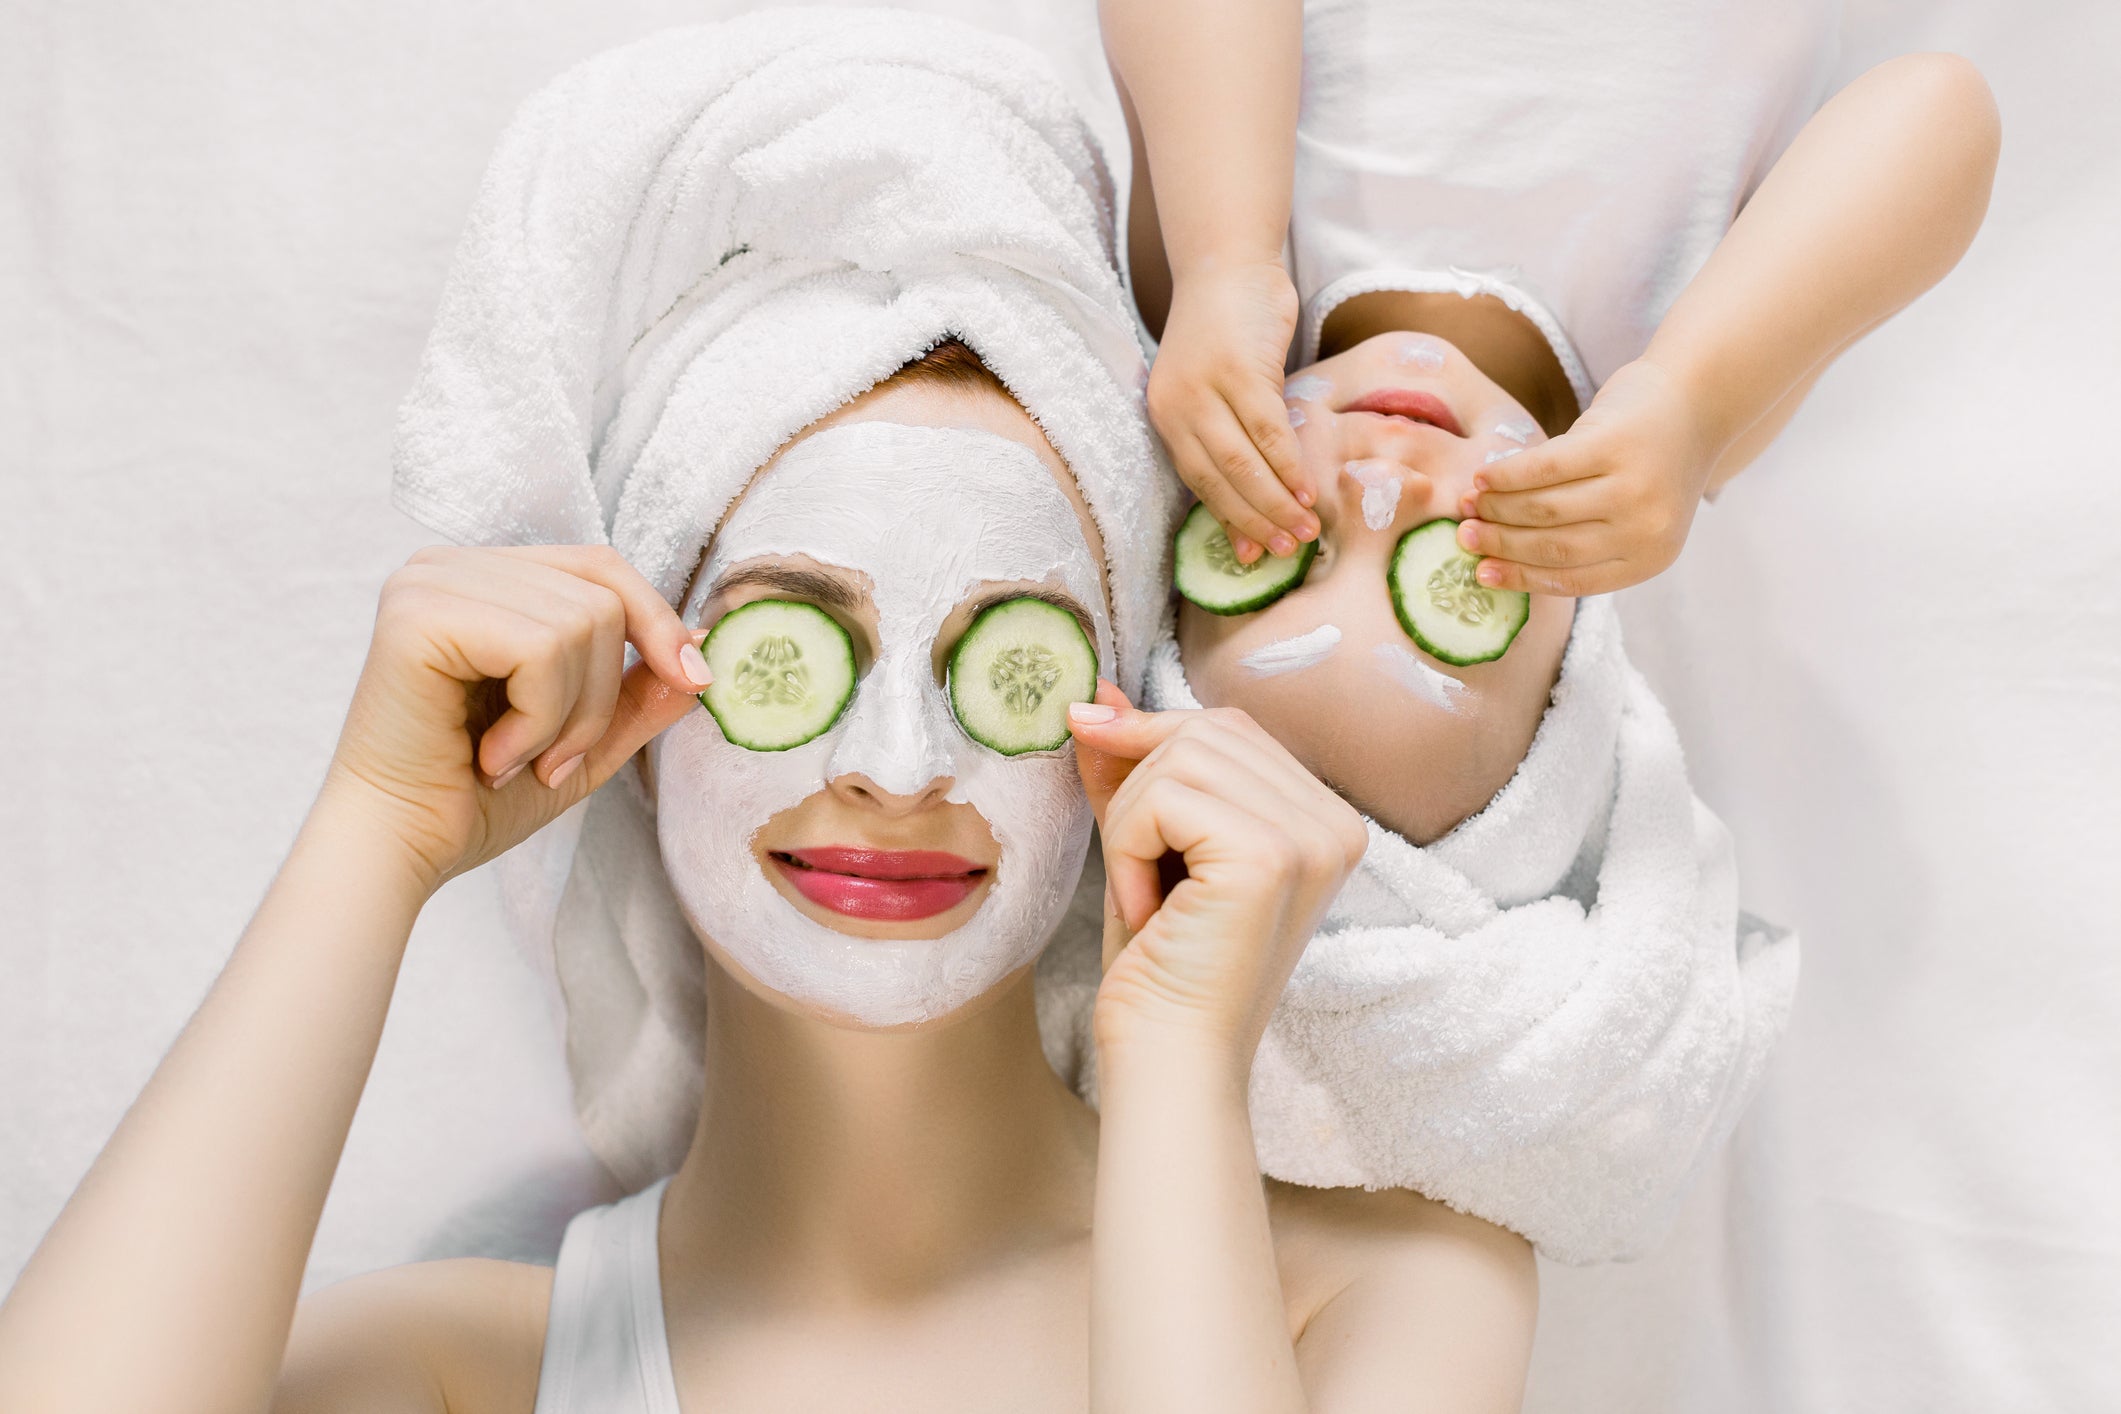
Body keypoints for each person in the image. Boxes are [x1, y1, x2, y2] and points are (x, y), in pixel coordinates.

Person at [0, 14, 1546, 1412]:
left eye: (999, 663)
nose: (893, 767)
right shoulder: (461, 1367)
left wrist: (1180, 1067)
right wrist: (377, 830)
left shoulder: (1394, 1287)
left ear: (1121, 712)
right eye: (790, 643)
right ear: (642, 692)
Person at [1105, 0, 2001, 594]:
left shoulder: (1208, 297)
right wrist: (1689, 409)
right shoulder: (1672, 397)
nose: (1385, 489)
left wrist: (1224, 259)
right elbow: (1939, 108)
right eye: (1441, 584)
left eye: (1297, 559)